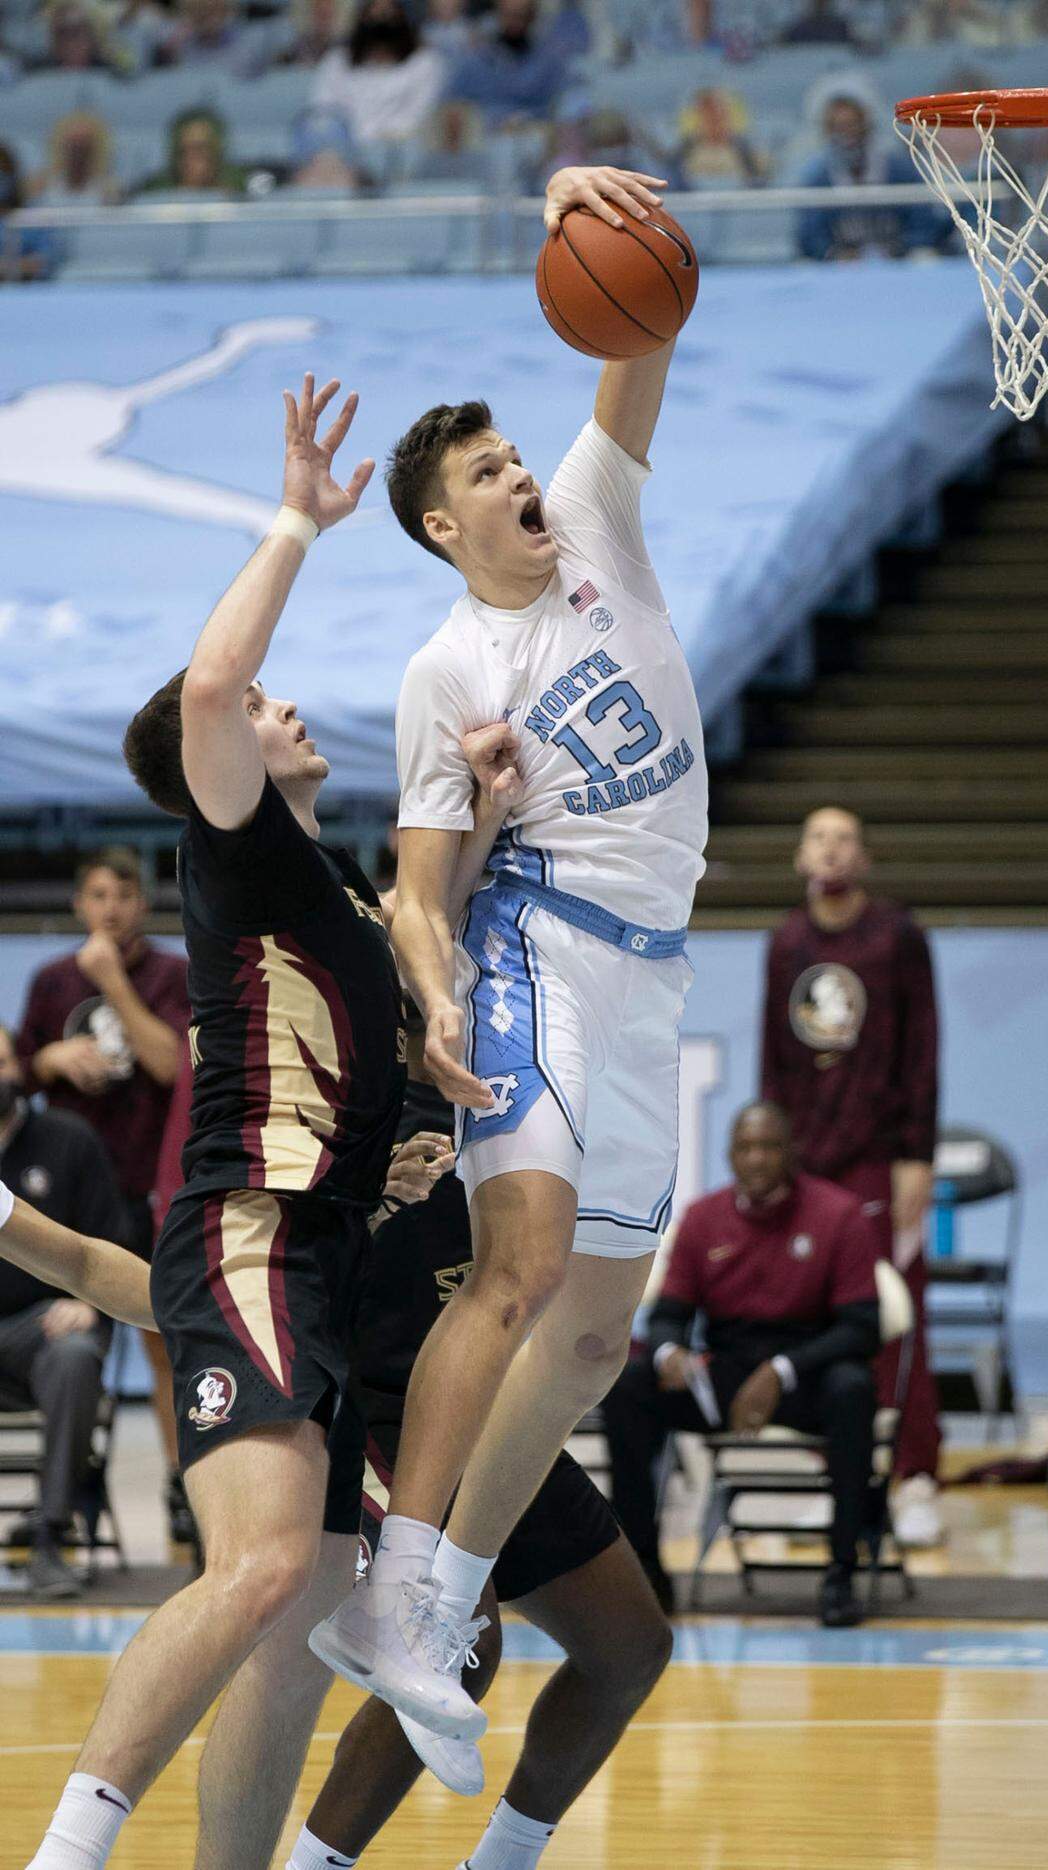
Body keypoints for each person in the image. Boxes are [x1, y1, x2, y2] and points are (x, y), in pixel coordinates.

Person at [309, 161, 707, 1755]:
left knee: (597, 1334)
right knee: (521, 1268)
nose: (526, 471)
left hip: (655, 972)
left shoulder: (602, 516)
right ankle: (398, 1582)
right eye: (491, 466)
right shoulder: (442, 664)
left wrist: (565, 196)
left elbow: (644, 334)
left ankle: (450, 1586)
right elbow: (414, 886)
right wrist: (440, 988)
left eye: (519, 452)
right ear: (439, 519)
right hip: (539, 937)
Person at [17, 373, 407, 1870]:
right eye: (263, 705)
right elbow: (207, 693)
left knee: (300, 1612)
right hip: (250, 1231)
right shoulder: (231, 846)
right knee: (254, 1576)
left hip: (325, 1251)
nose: (283, 703)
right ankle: (70, 1848)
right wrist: (295, 521)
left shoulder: (337, 892)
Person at [0, 1036, 671, 1870]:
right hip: (378, 1412)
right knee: (435, 1634)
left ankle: (502, 1860)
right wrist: (360, 1204)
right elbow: (151, 1271)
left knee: (630, 1648)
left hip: (497, 1414)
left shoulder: (528, 1088)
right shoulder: (327, 1099)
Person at [602, 1102, 880, 1628]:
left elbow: (861, 1327)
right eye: (746, 1148)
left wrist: (783, 1370)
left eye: (770, 1147)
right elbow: (667, 1319)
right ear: (730, 1155)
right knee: (631, 1384)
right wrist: (670, 1354)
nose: (757, 1159)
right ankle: (644, 1568)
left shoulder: (838, 1214)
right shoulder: (704, 1218)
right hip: (726, 1372)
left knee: (853, 1388)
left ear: (792, 1153)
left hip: (808, 1371)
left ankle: (841, 1573)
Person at [760, 806, 944, 1548]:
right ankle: (834, 1477)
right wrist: (773, 1161)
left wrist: (917, 1158)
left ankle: (915, 1475)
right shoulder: (785, 944)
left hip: (879, 1155)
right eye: (818, 838)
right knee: (814, 1322)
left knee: (896, 1315)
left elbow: (922, 1052)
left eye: (845, 839)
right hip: (806, 1160)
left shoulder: (898, 937)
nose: (831, 850)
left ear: (863, 858)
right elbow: (774, 1057)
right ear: (801, 857)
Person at [15, 847, 190, 1540]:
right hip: (65, 1198)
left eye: (122, 894)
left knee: (164, 1340)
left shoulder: (171, 976)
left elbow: (174, 1065)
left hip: (146, 1185)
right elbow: (15, 1078)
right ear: (78, 904)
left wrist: (114, 985)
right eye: (96, 895)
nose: (109, 908)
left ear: (142, 904)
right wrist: (47, 1060)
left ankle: (182, 1482)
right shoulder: (51, 981)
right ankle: (75, 1481)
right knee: (66, 1330)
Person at [0, 1025, 125, 1599]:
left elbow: (110, 1247)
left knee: (76, 1355)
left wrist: (86, 1302)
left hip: (40, 1334)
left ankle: (51, 1535)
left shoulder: (69, 1141)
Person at [794, 86, 951, 263]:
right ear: (828, 130)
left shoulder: (897, 167)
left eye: (852, 125)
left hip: (899, 258)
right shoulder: (819, 176)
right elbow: (810, 234)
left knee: (925, 258)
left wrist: (902, 248)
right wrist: (834, 253)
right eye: (838, 127)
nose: (847, 135)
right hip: (842, 264)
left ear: (865, 124)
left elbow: (923, 219)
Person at [311, 1, 447, 154]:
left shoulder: (425, 62)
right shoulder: (336, 61)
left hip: (401, 150)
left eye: (389, 15)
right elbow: (324, 110)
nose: (381, 21)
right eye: (373, 15)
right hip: (345, 151)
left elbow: (419, 114)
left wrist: (375, 141)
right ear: (361, 18)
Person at [447, 0, 566, 129]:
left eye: (521, 16)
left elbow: (558, 106)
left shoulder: (549, 62)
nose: (514, 22)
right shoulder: (475, 60)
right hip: (484, 137)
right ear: (497, 15)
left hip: (533, 135)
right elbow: (451, 104)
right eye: (508, 15)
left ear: (532, 17)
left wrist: (525, 118)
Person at [138, 108, 246, 197]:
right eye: (185, 149)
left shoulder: (243, 188)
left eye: (201, 148)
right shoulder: (153, 191)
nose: (193, 157)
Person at [33, 111, 120, 208]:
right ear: (61, 146)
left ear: (95, 149)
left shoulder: (109, 191)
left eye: (83, 145)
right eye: (73, 144)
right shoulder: (40, 186)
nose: (77, 153)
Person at [0, 143, 59, 285]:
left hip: (26, 291)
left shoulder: (33, 218)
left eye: (1, 174)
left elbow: (44, 262)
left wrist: (8, 267)